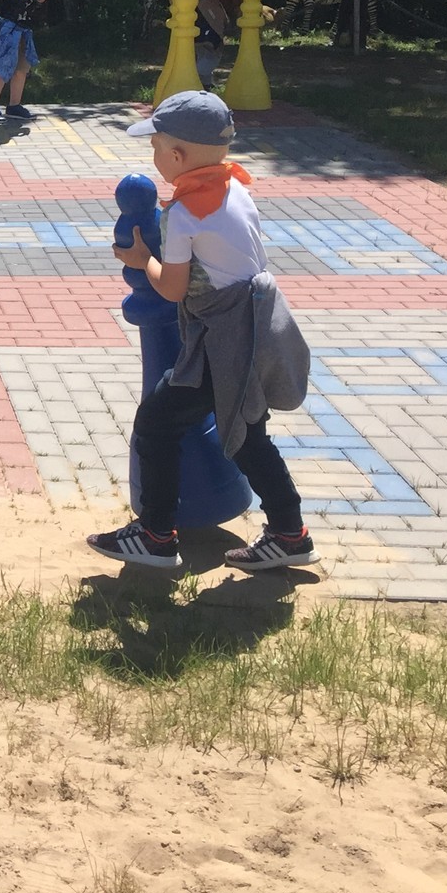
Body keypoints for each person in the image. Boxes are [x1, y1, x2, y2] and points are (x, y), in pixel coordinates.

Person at [88, 90, 317, 573]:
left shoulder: (184, 214)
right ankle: (290, 534)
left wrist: (142, 260)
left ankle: (156, 536)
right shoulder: (236, 189)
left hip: (224, 340)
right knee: (247, 434)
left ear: (177, 156)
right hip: (260, 325)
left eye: (156, 148)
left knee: (157, 423)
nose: (154, 157)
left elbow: (172, 289)